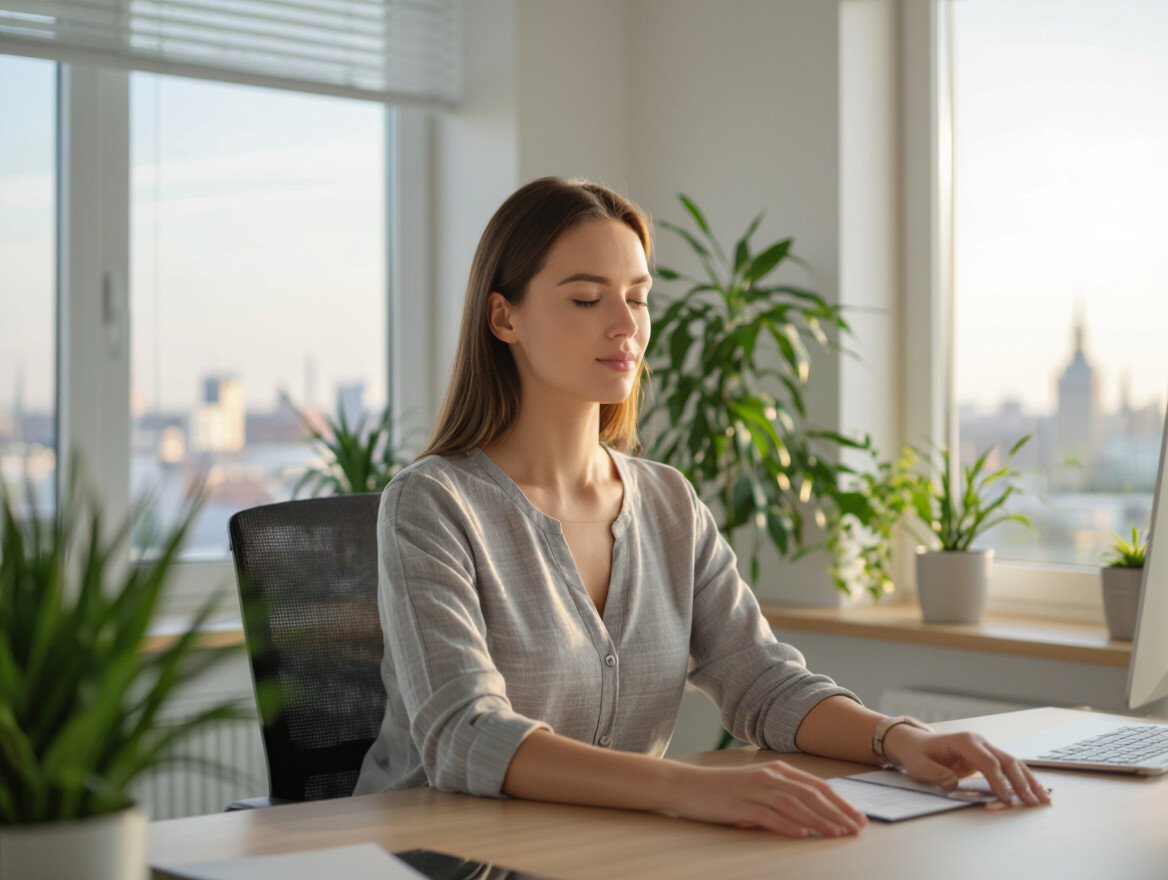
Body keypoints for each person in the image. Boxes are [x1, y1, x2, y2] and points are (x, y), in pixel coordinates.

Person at [354, 177, 1050, 837]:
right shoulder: (433, 504)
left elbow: (762, 681)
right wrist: (690, 790)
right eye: (587, 299)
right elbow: (464, 738)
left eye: (639, 296)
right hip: (441, 860)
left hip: (607, 854)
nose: (625, 325)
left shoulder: (666, 503)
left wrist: (899, 738)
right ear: (504, 316)